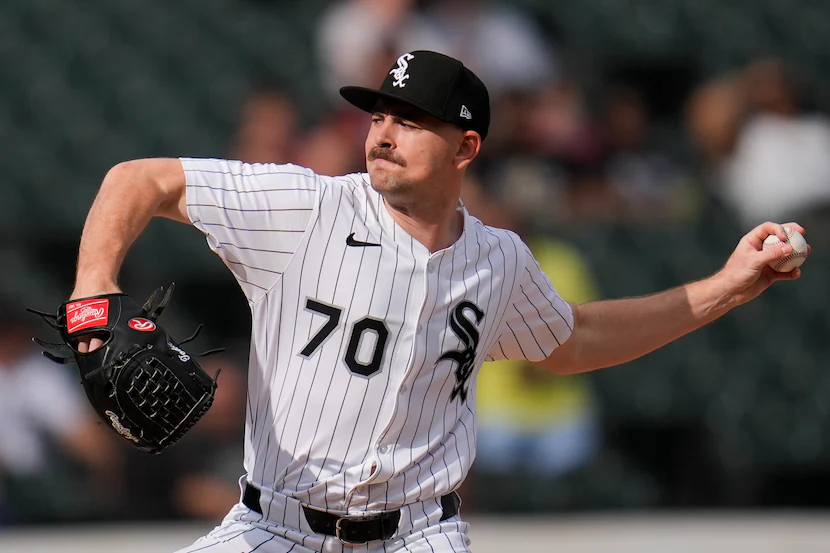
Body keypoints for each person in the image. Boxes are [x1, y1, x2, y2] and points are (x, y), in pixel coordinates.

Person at [68, 51, 806, 552]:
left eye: (410, 119)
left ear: (466, 148)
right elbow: (138, 179)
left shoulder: (499, 259)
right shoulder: (307, 205)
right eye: (380, 115)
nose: (383, 132)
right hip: (275, 527)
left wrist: (727, 286)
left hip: (418, 533)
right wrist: (91, 291)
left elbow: (573, 342)